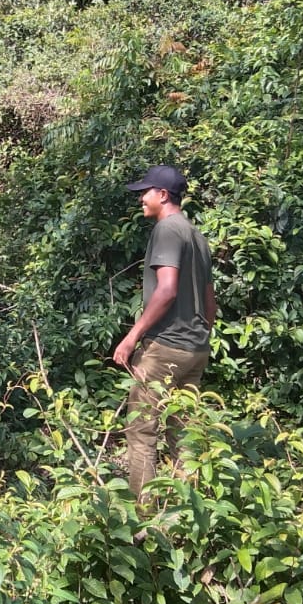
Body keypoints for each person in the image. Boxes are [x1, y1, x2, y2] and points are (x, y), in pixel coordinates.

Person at [113, 164, 216, 501]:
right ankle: (186, 515)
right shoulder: (196, 236)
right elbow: (210, 299)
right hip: (195, 348)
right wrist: (200, 338)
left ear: (162, 195)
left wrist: (131, 338)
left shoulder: (168, 230)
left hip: (167, 347)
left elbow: (167, 289)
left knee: (142, 430)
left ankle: (142, 519)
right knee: (183, 433)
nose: (141, 199)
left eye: (145, 192)